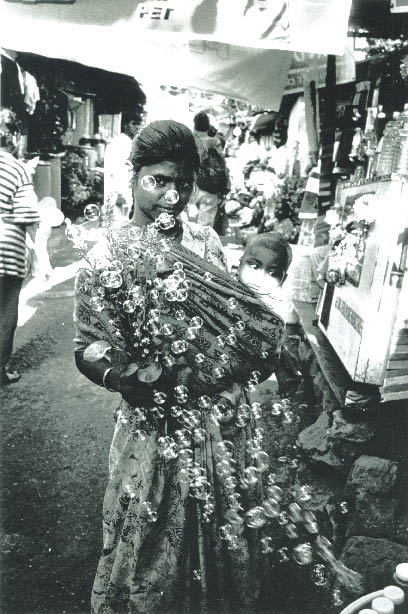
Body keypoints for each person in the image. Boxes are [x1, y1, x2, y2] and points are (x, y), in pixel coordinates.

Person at [73, 120, 286, 614]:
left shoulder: (204, 242)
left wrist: (258, 348)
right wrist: (123, 378)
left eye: (184, 183)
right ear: (134, 174)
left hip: (216, 421)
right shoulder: (105, 255)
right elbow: (86, 347)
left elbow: (229, 323)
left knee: (219, 529)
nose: (173, 196)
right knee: (151, 539)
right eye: (159, 180)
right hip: (153, 426)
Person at [0, 108, 40, 386]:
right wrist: (35, 253)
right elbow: (27, 215)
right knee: (5, 310)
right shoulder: (17, 168)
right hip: (6, 246)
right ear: (13, 136)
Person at [103, 109, 144, 222]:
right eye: (134, 123)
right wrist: (119, 194)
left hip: (128, 191)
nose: (137, 127)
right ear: (125, 125)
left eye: (139, 124)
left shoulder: (130, 142)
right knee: (119, 224)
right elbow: (114, 171)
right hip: (119, 193)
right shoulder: (118, 143)